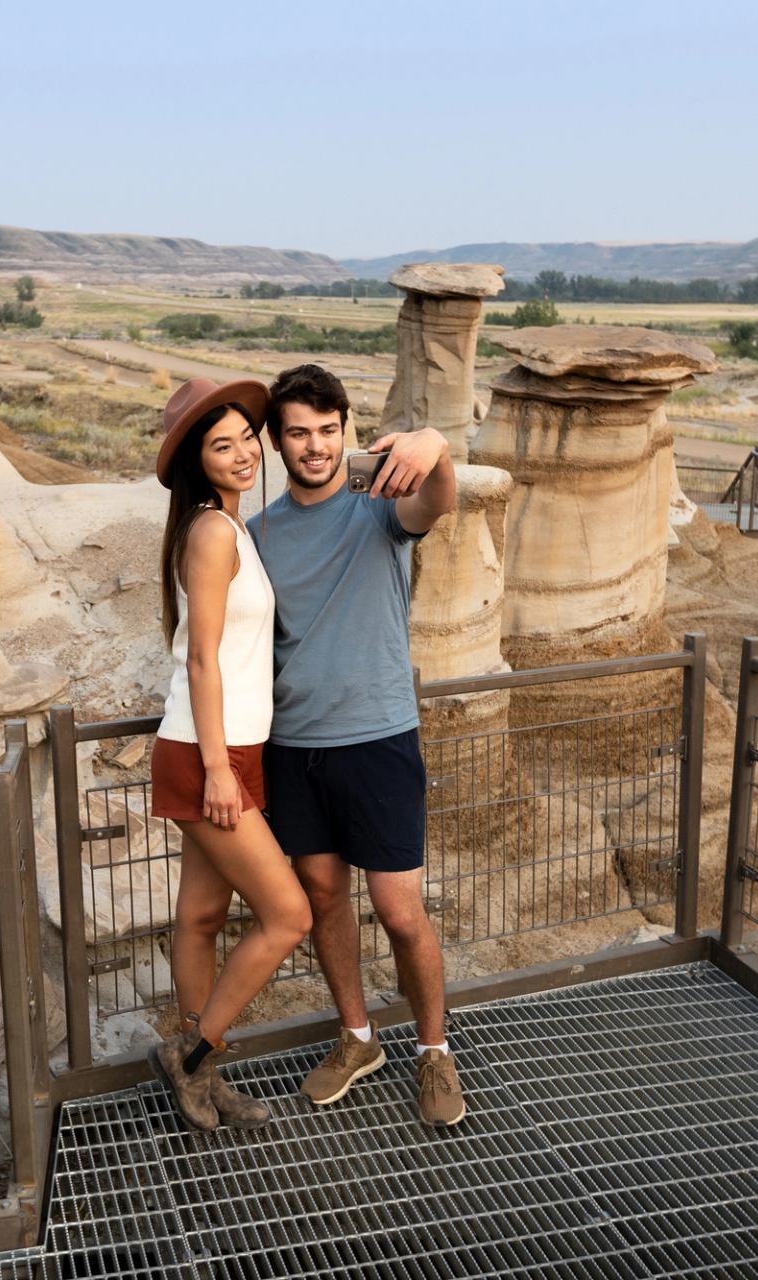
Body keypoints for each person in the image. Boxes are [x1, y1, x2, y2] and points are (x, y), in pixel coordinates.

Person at [248, 363, 465, 1126]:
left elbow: (438, 498)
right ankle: (357, 1035)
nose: (315, 446)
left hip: (378, 740)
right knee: (325, 899)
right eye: (299, 433)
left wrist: (435, 442)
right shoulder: (259, 534)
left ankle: (434, 1052)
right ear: (278, 442)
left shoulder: (380, 510)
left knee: (400, 910)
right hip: (295, 748)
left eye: (328, 430)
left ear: (346, 431)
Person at [145, 376, 313, 1133]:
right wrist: (217, 767)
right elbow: (202, 660)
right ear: (197, 462)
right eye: (224, 445)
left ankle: (201, 1076)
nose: (245, 452)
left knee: (204, 916)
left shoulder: (233, 527)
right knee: (288, 914)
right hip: (205, 752)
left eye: (249, 437)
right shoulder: (212, 532)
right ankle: (190, 1058)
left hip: (230, 745)